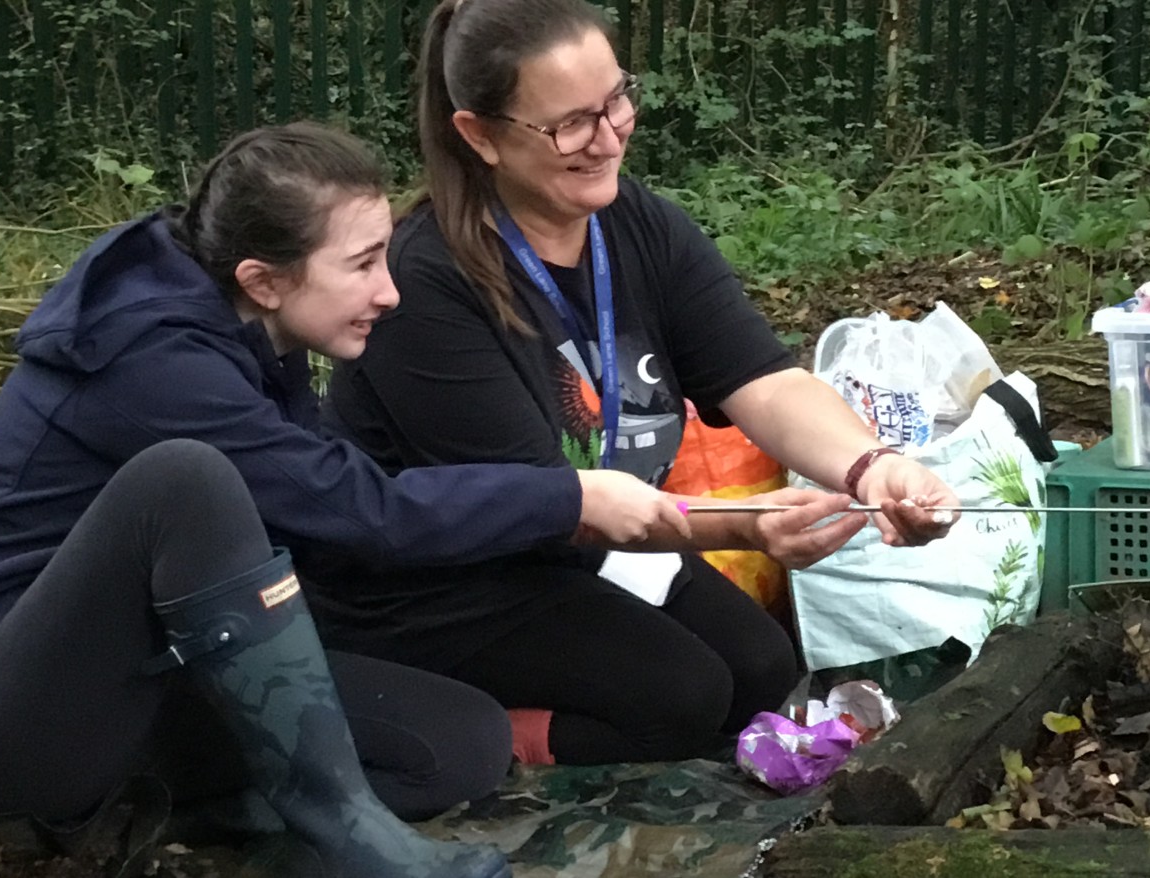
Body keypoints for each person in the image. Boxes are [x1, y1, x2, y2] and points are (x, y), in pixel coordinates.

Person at [0, 122, 694, 877]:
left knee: (459, 745)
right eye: (362, 264)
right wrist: (568, 497)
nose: (389, 291)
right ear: (263, 279)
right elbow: (360, 510)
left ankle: (147, 821)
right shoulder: (154, 362)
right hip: (31, 711)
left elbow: (330, 515)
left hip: (154, 676)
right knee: (183, 481)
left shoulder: (244, 323)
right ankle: (343, 836)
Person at [310, 0, 962, 768]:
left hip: (588, 547)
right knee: (677, 699)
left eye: (617, 98)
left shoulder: (638, 227)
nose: (611, 135)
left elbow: (765, 380)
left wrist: (873, 468)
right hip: (443, 579)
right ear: (479, 135)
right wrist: (746, 525)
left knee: (761, 668)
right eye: (570, 124)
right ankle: (483, 735)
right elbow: (547, 505)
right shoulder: (424, 285)